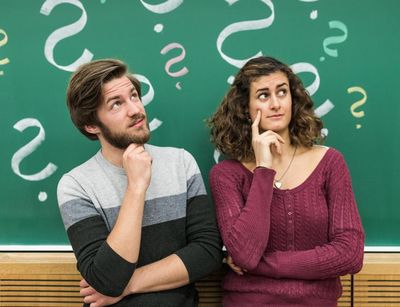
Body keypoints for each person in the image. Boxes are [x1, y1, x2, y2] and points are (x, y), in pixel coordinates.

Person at [57, 59, 223, 306]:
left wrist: (128, 284)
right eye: (116, 104)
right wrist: (136, 187)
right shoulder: (76, 186)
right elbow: (107, 277)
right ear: (92, 125)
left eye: (134, 96)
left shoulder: (181, 163)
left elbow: (207, 252)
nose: (135, 109)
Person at [208, 56, 365, 306]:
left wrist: (266, 264)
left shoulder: (330, 163)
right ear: (245, 109)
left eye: (282, 92)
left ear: (293, 99)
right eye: (263, 95)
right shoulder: (227, 174)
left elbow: (350, 255)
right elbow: (245, 255)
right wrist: (263, 169)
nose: (275, 104)